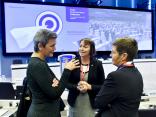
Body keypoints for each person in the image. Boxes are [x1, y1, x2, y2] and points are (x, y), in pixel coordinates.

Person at [26, 29, 80, 117]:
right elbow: (55, 93)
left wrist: (57, 84)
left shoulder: (39, 63)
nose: (55, 48)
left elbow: (56, 86)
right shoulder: (37, 65)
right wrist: (67, 70)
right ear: (40, 46)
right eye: (52, 45)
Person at [95, 37, 143, 117]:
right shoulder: (138, 74)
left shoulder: (115, 76)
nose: (110, 55)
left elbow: (98, 102)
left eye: (113, 52)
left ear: (123, 56)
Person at [66, 38, 105, 117]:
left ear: (91, 49)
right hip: (75, 102)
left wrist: (90, 87)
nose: (82, 49)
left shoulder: (98, 64)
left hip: (90, 103)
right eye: (80, 46)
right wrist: (76, 87)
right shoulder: (73, 62)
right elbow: (65, 83)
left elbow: (103, 86)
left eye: (85, 47)